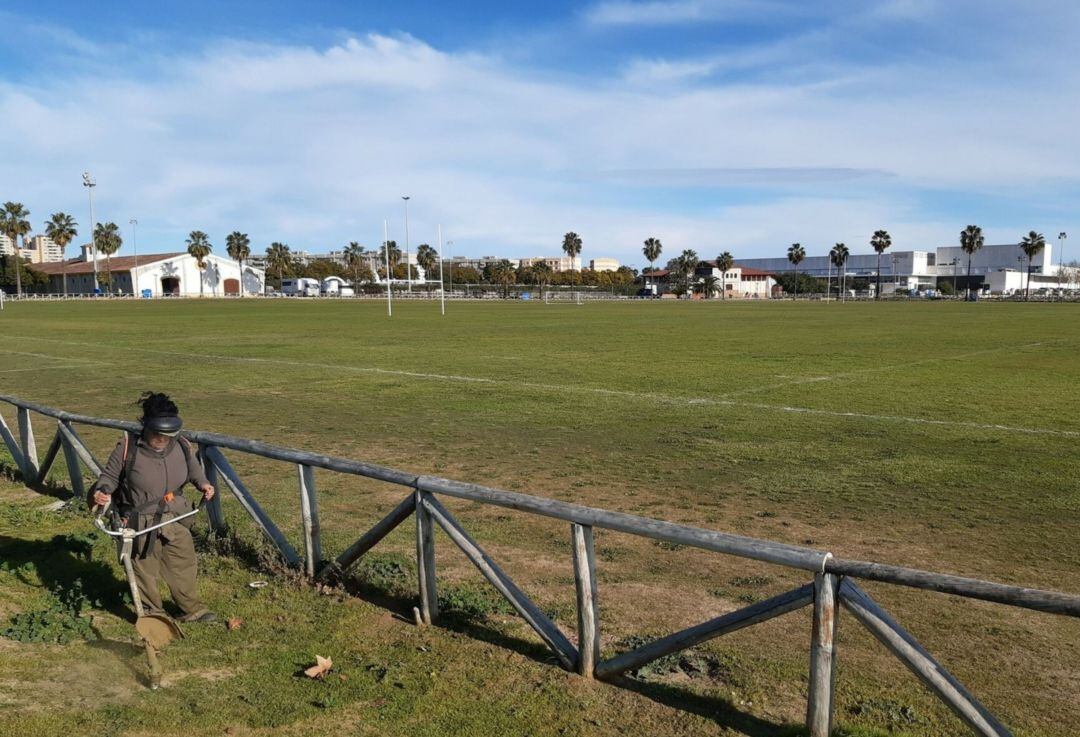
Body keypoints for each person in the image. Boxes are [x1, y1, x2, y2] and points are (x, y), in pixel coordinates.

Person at [91, 392, 218, 623]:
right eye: (157, 435)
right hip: (140, 520)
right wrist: (102, 491)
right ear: (147, 426)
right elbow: (109, 476)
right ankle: (153, 614)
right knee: (144, 568)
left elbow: (193, 469)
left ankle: (191, 609)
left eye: (166, 435)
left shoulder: (181, 444)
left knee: (183, 562)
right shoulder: (128, 448)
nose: (162, 440)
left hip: (175, 516)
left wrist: (204, 484)